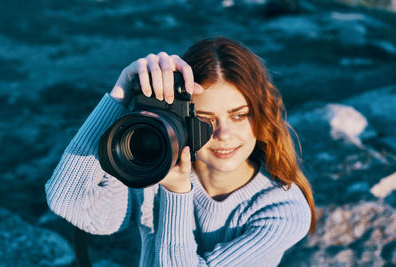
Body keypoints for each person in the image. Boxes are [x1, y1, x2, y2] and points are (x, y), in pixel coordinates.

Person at [45, 37, 316, 266]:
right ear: (183, 119)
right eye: (205, 119)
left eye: (239, 115)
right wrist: (122, 91)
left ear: (261, 114)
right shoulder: (155, 169)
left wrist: (177, 192)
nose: (223, 135)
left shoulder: (283, 209)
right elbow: (67, 200)